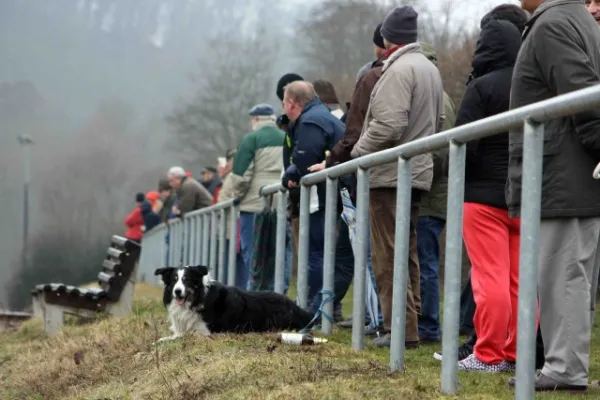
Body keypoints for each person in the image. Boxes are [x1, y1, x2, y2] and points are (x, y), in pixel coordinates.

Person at [506, 0, 600, 391]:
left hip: (563, 175)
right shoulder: (573, 20)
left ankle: (564, 369)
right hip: (571, 173)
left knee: (563, 273)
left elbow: (585, 96)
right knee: (571, 272)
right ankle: (566, 365)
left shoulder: (553, 25)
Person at [351, 5, 445, 349]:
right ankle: (411, 324)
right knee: (407, 253)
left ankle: (400, 331)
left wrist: (358, 152)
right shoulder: (428, 68)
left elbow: (390, 123)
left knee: (388, 255)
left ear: (388, 37)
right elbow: (437, 123)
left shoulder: (399, 69)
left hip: (390, 175)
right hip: (418, 171)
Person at [443, 19, 524, 373]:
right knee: (521, 279)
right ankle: (515, 353)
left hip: (481, 199)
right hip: (525, 194)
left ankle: (488, 354)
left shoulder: (481, 88)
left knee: (489, 276)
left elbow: (463, 146)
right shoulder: (532, 85)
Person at [281, 80, 344, 313]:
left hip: (327, 195)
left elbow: (305, 159)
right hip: (334, 192)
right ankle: (320, 306)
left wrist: (291, 173)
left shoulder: (311, 120)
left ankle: (314, 308)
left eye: (284, 103)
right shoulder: (318, 114)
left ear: (292, 104)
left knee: (316, 251)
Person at [417, 42, 458, 345]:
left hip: (430, 196)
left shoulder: (438, 99)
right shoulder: (435, 94)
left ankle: (429, 327)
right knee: (424, 261)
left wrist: (413, 176)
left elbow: (440, 152)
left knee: (427, 263)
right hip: (430, 194)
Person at [230, 104, 285, 289]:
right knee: (278, 252)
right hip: (281, 203)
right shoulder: (286, 137)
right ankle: (278, 291)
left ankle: (254, 292)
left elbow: (240, 176)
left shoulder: (250, 139)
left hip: (253, 205)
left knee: (252, 253)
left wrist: (236, 196)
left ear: (255, 119)